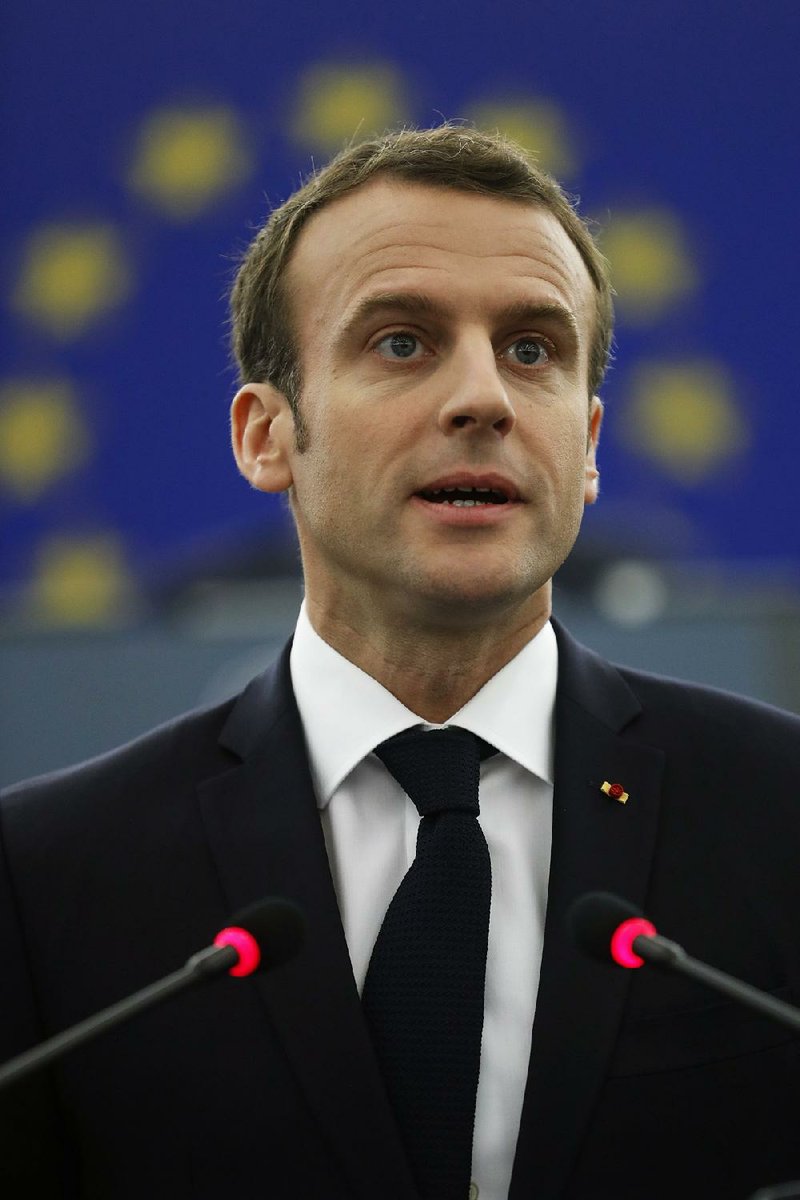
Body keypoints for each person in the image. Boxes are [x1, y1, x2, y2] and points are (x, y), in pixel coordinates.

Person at [1, 122, 799, 1200]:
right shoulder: (49, 877)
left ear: (590, 443)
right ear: (265, 436)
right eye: (401, 343)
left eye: (531, 349)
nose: (483, 399)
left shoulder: (775, 814)